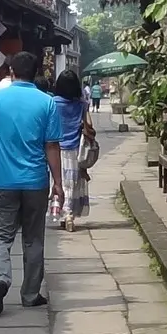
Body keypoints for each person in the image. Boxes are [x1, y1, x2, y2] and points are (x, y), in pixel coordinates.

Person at [0, 49, 63, 315]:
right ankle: (31, 294)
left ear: (11, 71)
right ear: (36, 73)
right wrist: (58, 182)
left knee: (0, 236)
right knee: (34, 238)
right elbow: (52, 146)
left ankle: (0, 278)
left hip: (2, 180)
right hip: (35, 181)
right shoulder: (47, 102)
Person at [51, 67, 96, 229]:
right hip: (76, 149)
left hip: (55, 150)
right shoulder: (81, 104)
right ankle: (68, 214)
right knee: (72, 183)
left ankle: (64, 213)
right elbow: (89, 126)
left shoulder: (53, 103)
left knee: (59, 182)